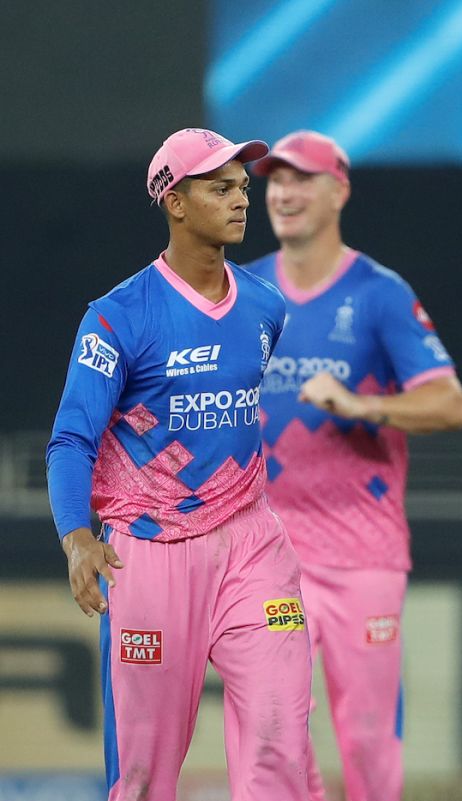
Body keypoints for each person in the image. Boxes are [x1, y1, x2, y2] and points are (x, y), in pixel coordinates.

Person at [46, 128, 310, 801]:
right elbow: (71, 439)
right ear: (176, 202)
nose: (241, 199)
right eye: (220, 188)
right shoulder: (117, 318)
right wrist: (78, 537)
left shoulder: (265, 306)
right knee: (143, 774)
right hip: (151, 553)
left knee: (281, 739)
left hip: (254, 545)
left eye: (243, 187)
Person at [243, 129, 462, 801]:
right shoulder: (243, 291)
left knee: (367, 737)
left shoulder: (379, 293)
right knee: (270, 726)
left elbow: (451, 404)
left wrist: (361, 403)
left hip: (362, 553)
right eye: (274, 180)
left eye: (300, 178)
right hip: (266, 555)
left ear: (338, 190)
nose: (282, 192)